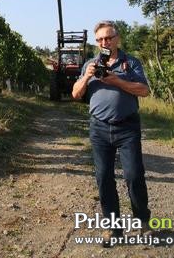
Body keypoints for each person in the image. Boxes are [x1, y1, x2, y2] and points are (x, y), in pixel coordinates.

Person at [72, 20, 150, 245]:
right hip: (99, 128)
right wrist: (87, 76)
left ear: (117, 38)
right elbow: (76, 94)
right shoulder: (91, 63)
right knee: (104, 177)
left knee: (134, 175)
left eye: (108, 38)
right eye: (100, 40)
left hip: (127, 127)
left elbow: (144, 90)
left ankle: (143, 221)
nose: (104, 42)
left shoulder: (131, 63)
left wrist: (114, 80)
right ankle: (113, 229)